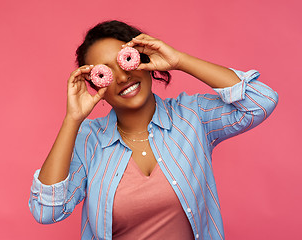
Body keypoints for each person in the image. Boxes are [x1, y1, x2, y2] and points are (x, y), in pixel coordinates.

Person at [28, 20, 278, 240]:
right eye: (106, 72)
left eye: (125, 61)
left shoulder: (191, 116)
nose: (123, 78)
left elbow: (260, 101)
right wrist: (73, 118)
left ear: (143, 58)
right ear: (96, 84)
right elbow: (46, 211)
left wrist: (179, 60)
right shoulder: (89, 140)